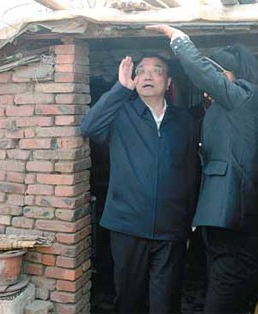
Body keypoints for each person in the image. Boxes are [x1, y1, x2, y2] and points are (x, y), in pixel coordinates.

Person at [146, 25, 258, 313]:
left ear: (228, 75)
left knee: (225, 285)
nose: (208, 86)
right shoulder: (235, 105)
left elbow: (201, 71)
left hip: (232, 214)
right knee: (227, 282)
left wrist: (178, 38)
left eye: (216, 76)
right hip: (229, 213)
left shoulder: (243, 97)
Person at [80, 54, 198, 313]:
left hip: (170, 229)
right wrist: (120, 90)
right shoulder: (121, 114)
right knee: (128, 300)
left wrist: (188, 222)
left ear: (168, 82)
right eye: (141, 71)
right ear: (134, 79)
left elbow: (191, 172)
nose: (147, 76)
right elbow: (88, 126)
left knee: (165, 303)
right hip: (127, 226)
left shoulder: (183, 121)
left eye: (156, 71)